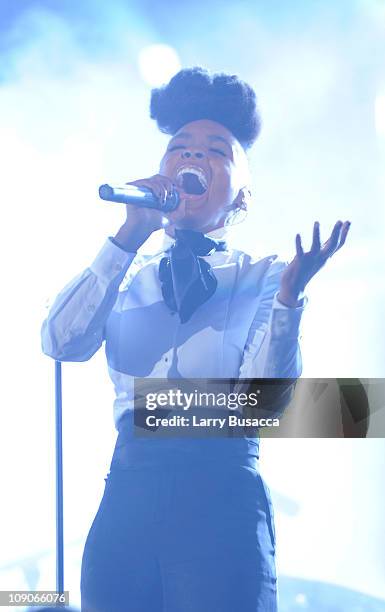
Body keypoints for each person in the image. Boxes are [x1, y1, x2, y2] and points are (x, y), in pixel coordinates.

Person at [41, 67, 350, 612]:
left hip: (220, 498)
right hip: (129, 497)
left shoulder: (264, 278)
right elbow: (60, 342)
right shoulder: (127, 274)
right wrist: (130, 231)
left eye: (215, 152)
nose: (191, 159)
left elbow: (264, 402)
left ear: (242, 196)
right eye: (178, 149)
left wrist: (288, 300)